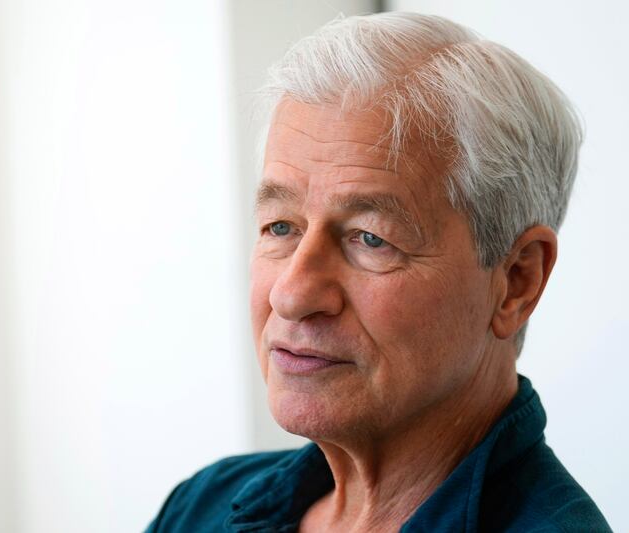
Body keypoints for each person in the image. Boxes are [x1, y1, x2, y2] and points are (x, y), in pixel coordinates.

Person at [146, 12, 611, 532]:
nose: (292, 295)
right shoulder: (202, 506)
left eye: (370, 238)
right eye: (280, 227)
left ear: (517, 281)